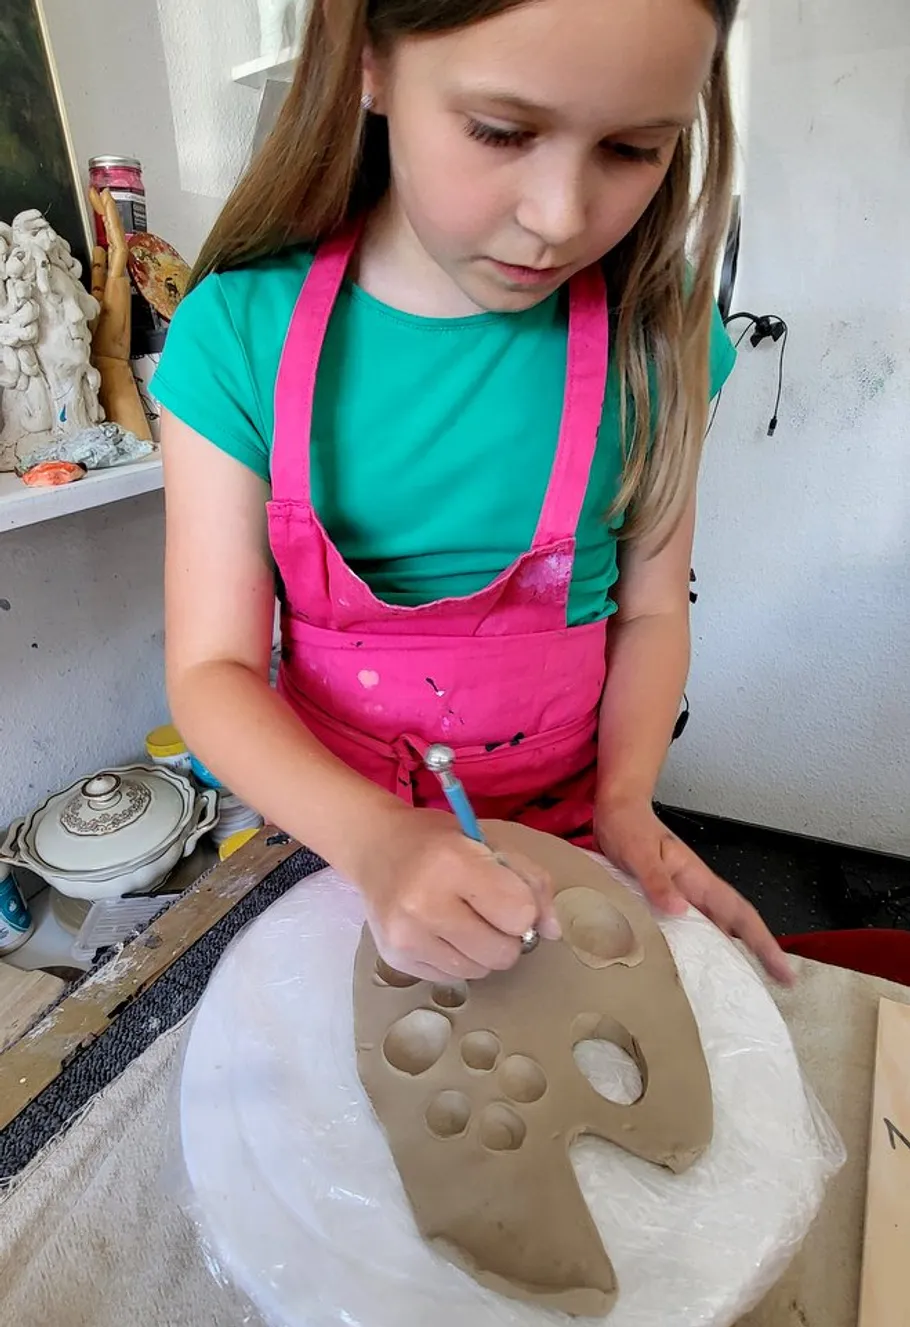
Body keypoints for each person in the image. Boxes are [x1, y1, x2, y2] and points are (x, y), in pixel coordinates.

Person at [153, 0, 792, 986]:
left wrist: (627, 801)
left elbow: (654, 607)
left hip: (571, 838)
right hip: (336, 845)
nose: (560, 216)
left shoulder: (659, 342)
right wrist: (376, 843)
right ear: (369, 63)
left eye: (632, 148)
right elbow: (212, 671)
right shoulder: (235, 336)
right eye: (501, 132)